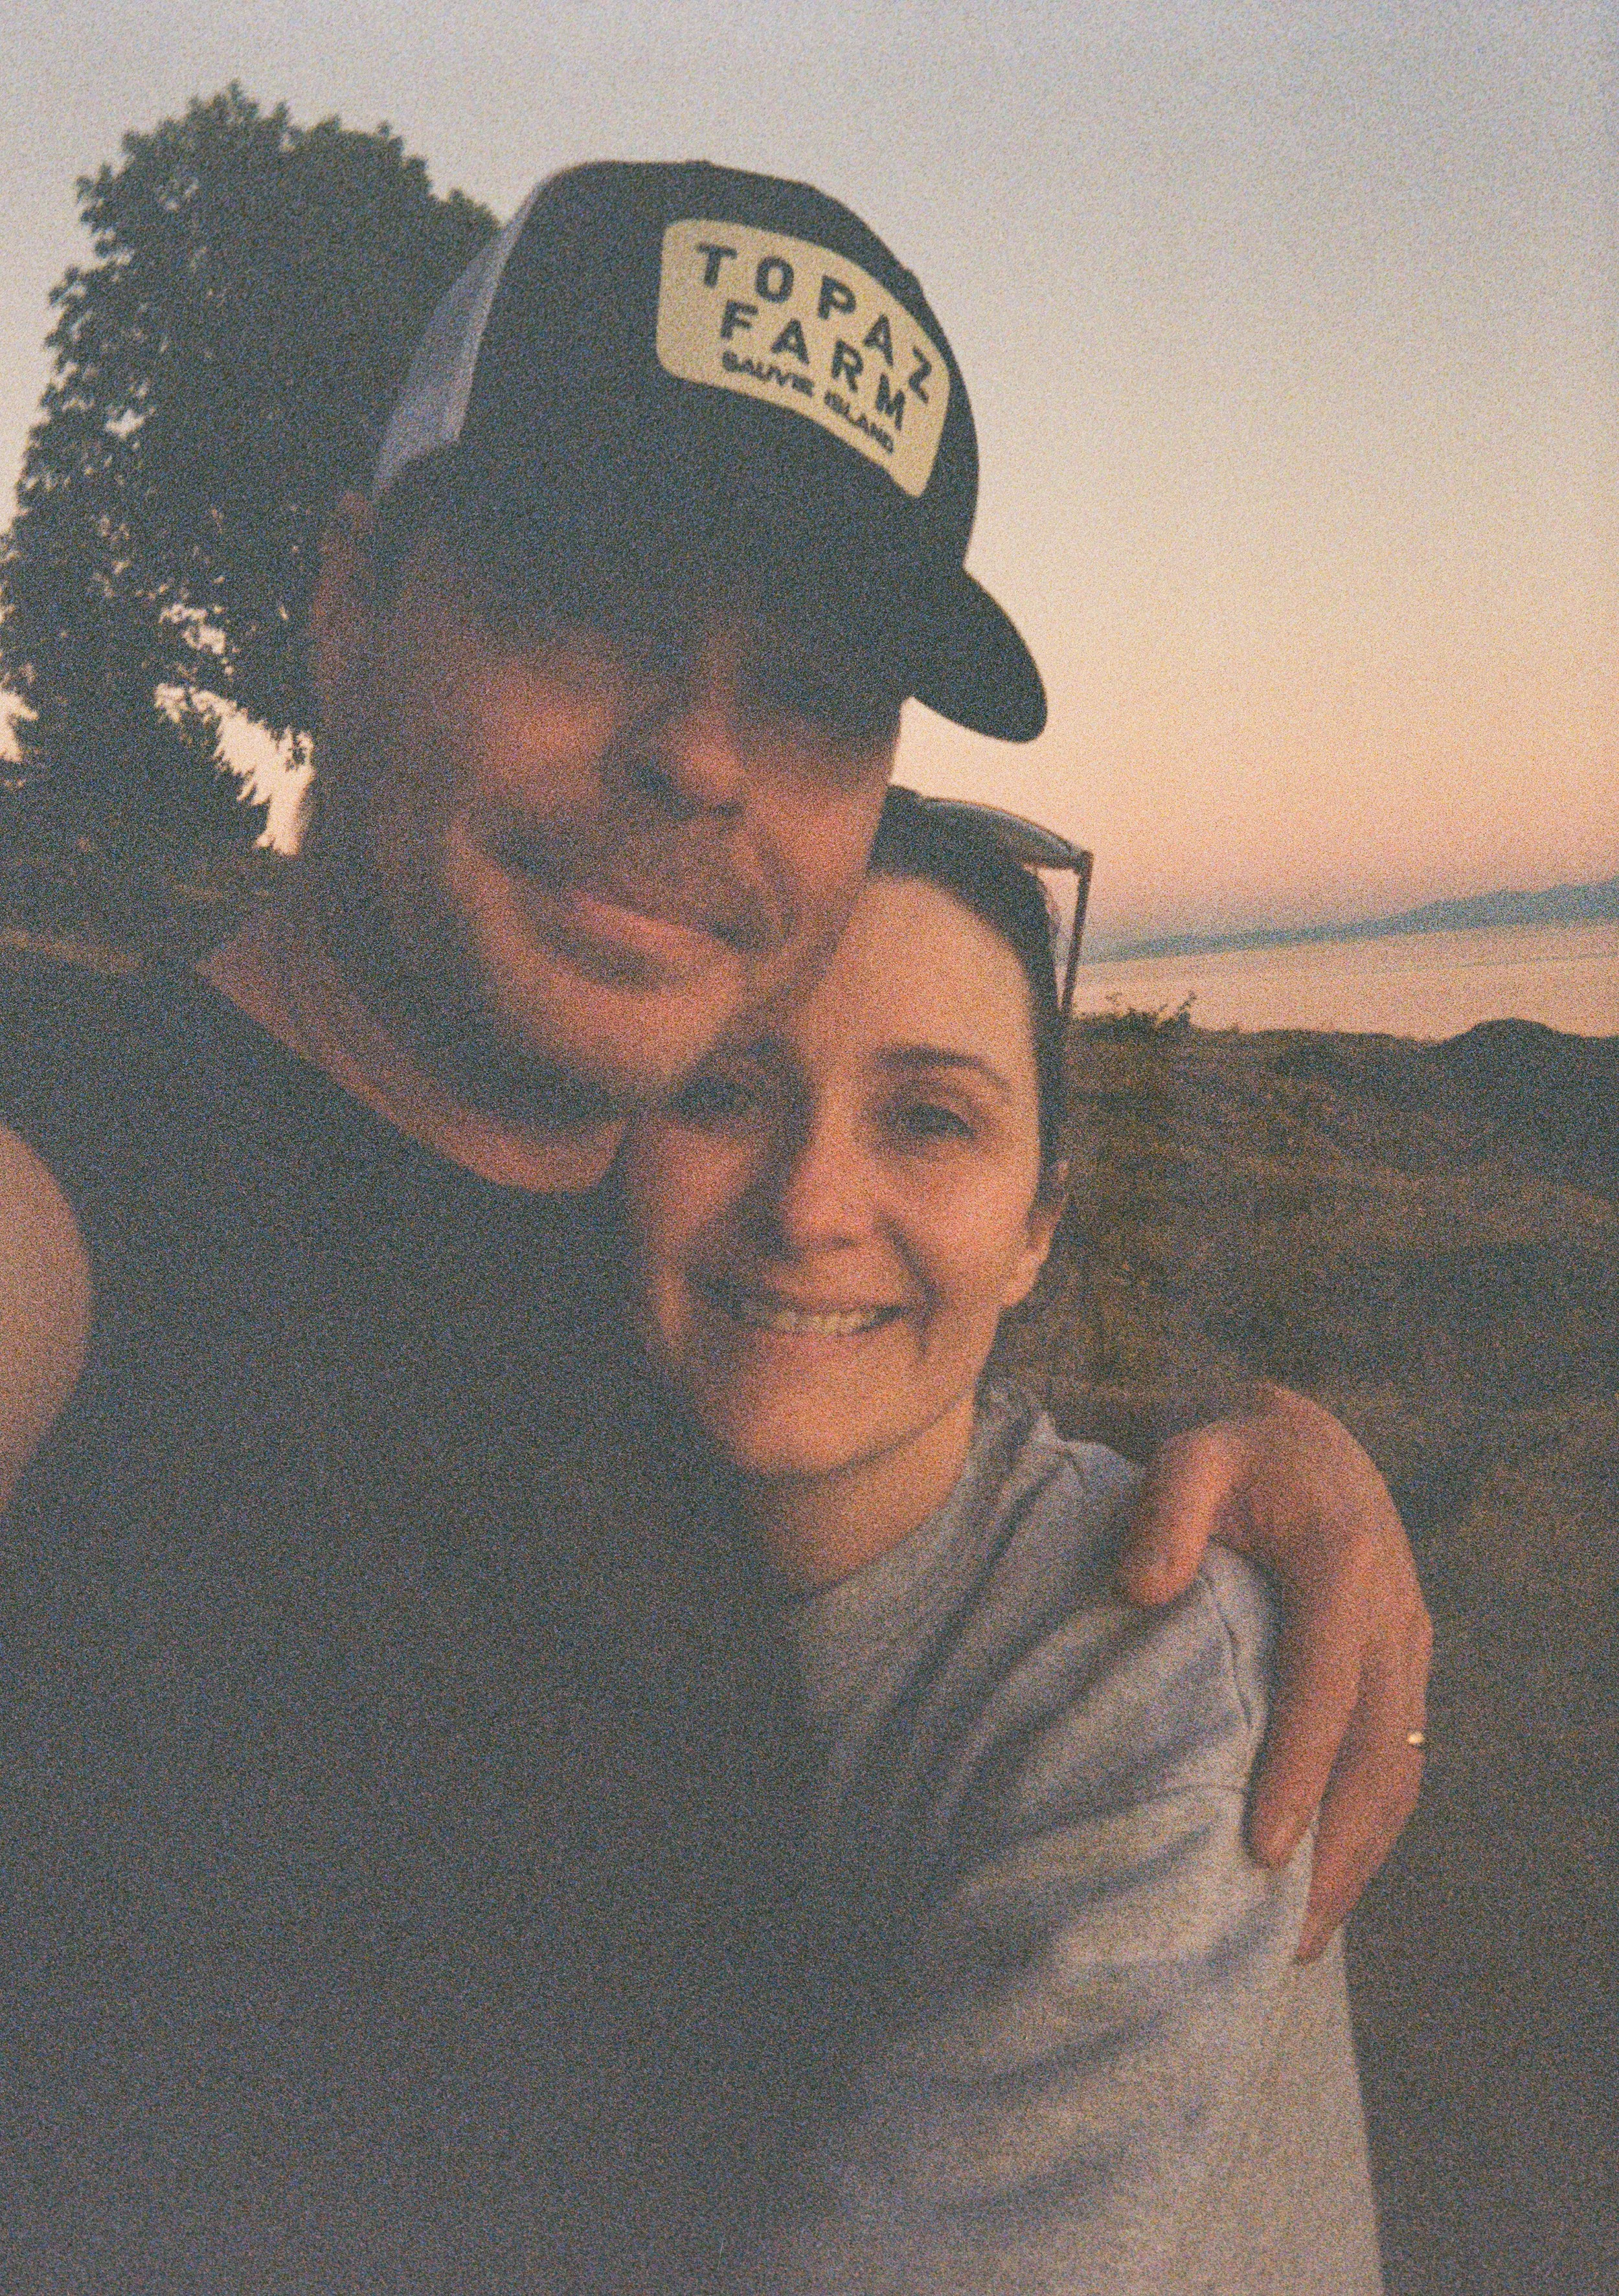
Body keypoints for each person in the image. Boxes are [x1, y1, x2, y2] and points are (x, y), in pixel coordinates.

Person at [0, 161, 1425, 2290]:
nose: (702, 755)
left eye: (824, 685)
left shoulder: (654, 1286)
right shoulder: (63, 1186)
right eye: (584, 596)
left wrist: (1239, 1470)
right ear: (348, 601)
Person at [623, 787, 1385, 2293]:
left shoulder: (1150, 1683)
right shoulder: (492, 1533)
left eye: (927, 1118)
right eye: (724, 1089)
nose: (811, 1205)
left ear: (1034, 1228)